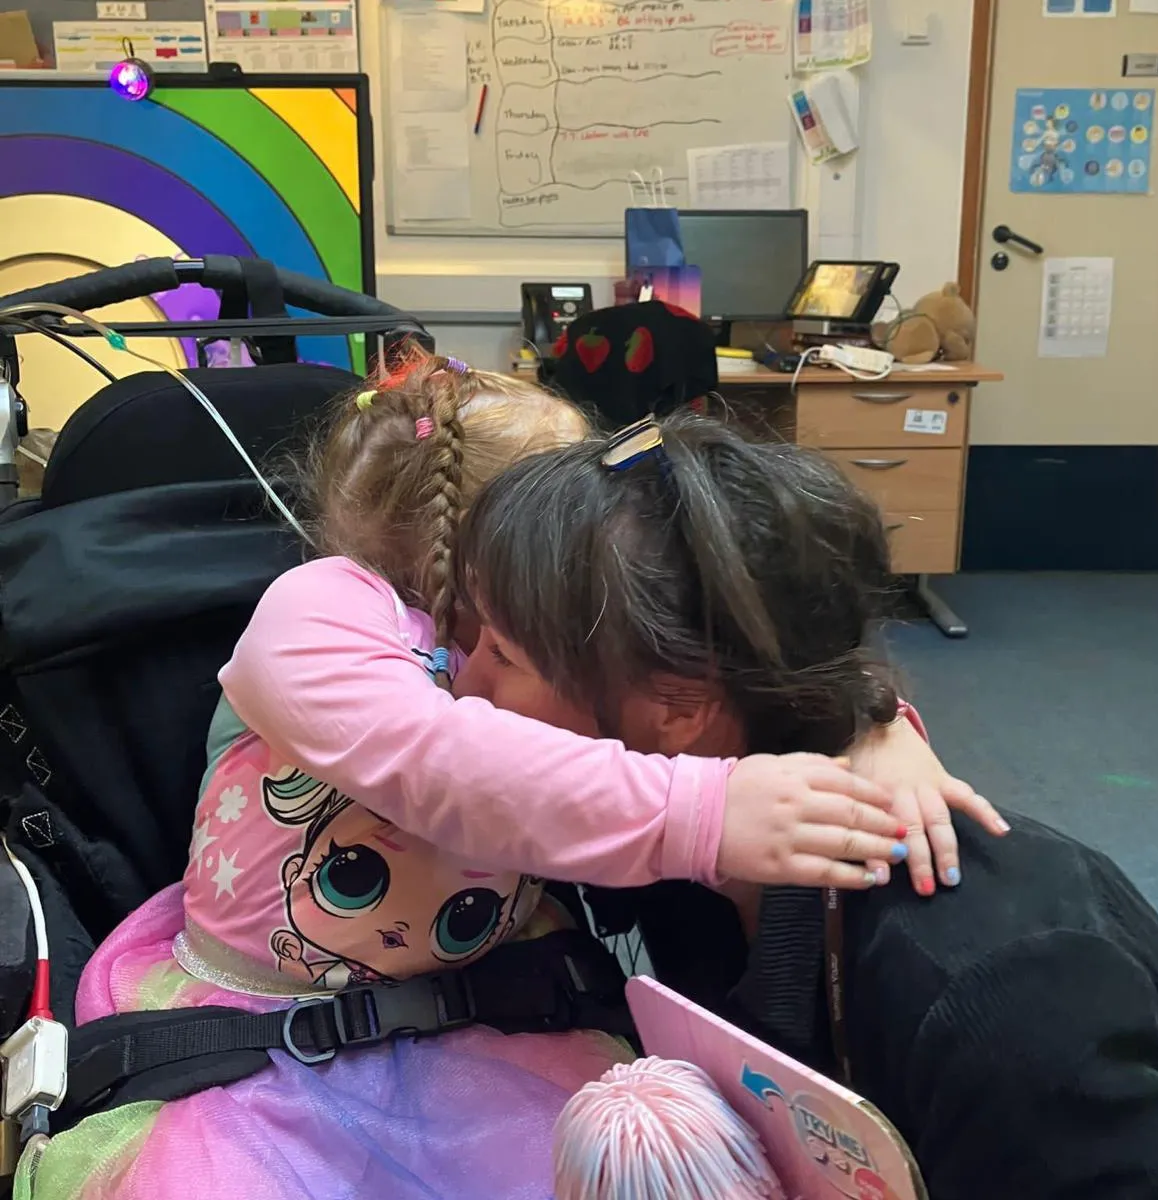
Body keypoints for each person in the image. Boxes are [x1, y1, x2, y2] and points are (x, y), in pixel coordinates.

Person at [38, 356, 993, 1199]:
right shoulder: (316, 610)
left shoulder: (544, 654)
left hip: (484, 1020)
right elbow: (440, 762)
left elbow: (716, 687)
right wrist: (699, 813)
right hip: (260, 1034)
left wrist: (870, 726)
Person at [452, 410, 1158, 1198]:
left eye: (503, 654)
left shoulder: (989, 986)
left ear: (679, 705)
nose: (463, 688)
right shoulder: (677, 820)